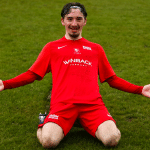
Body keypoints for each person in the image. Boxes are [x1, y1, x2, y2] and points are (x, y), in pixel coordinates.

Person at [0, 2, 150, 149]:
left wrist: (140, 89)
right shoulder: (52, 47)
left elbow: (112, 79)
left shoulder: (95, 49)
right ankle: (44, 122)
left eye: (79, 19)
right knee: (48, 142)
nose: (74, 23)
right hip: (62, 106)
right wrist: (5, 84)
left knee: (112, 140)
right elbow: (32, 74)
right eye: (70, 19)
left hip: (93, 107)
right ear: (62, 21)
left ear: (84, 21)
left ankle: (81, 122)